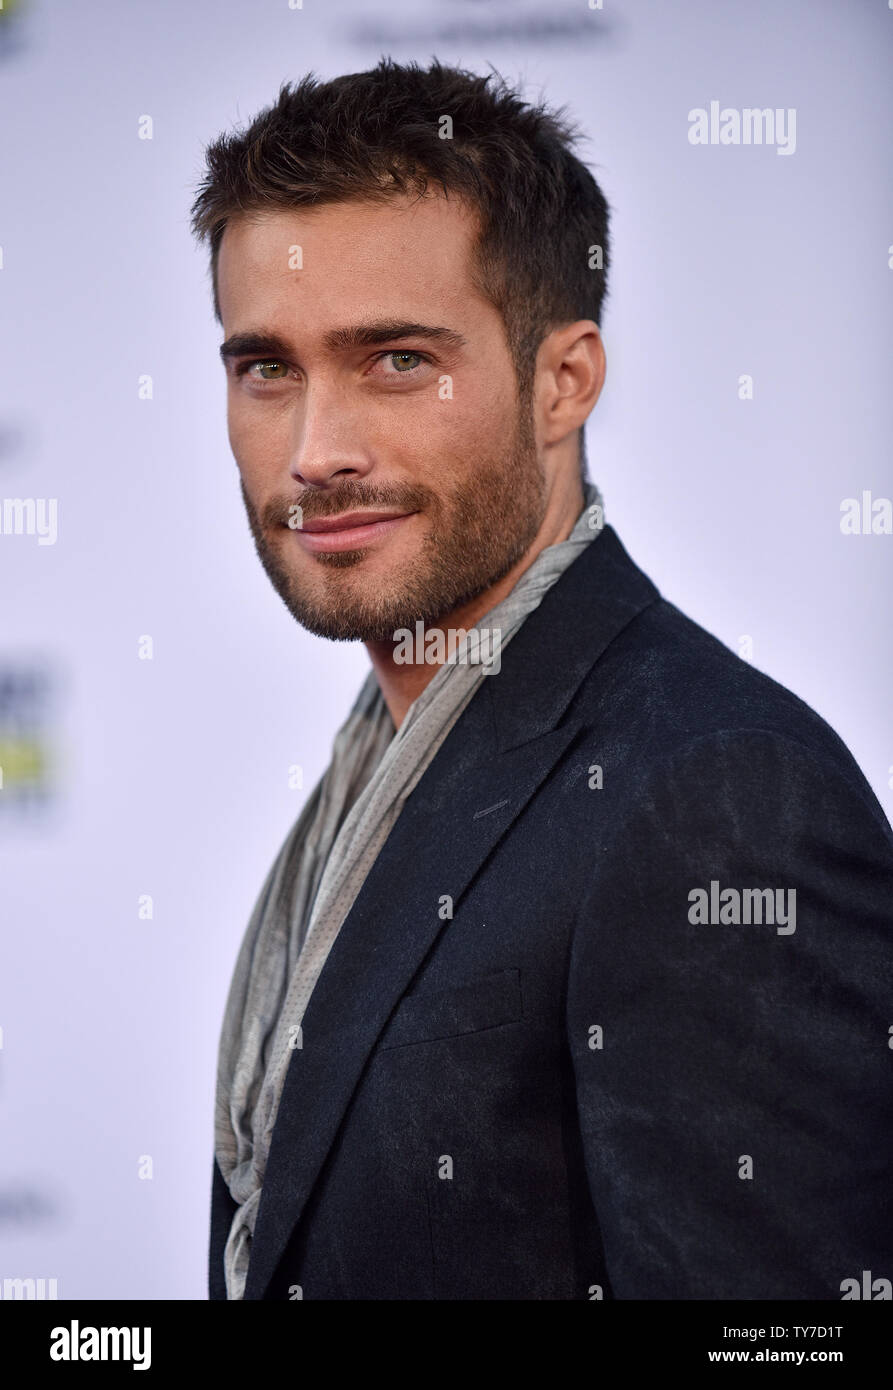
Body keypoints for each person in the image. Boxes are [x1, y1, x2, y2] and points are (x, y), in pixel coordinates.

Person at [191, 58, 893, 1301]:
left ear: (562, 380)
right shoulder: (389, 766)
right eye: (267, 369)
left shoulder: (716, 798)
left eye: (395, 360)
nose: (315, 452)